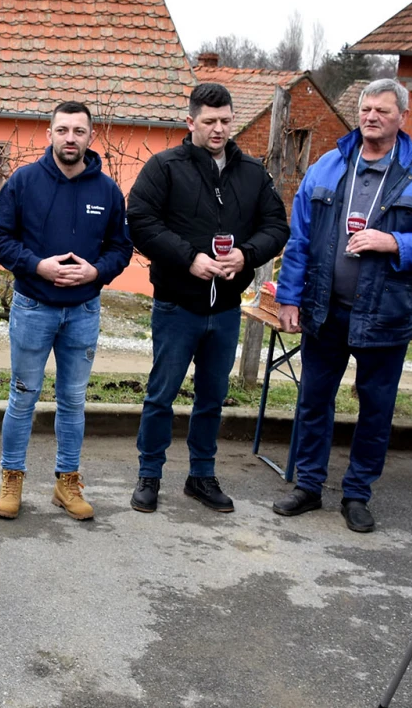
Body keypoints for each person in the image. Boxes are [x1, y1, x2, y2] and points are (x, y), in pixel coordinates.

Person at [272, 78, 412, 533]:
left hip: (385, 314)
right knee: (314, 402)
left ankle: (357, 495)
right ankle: (309, 487)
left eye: (383, 111)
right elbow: (300, 241)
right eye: (366, 109)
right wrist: (290, 298)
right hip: (325, 309)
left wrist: (392, 241)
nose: (372, 117)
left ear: (402, 118)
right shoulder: (328, 167)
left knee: (375, 409)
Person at [127, 83, 290, 513]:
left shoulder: (253, 173)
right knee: (161, 394)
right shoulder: (164, 168)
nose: (218, 130)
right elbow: (140, 221)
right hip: (177, 304)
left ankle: (201, 476)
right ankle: (149, 475)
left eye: (225, 121)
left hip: (225, 309)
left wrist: (247, 254)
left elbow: (277, 225)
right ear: (191, 122)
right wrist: (188, 259)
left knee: (212, 397)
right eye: (209, 121)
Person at [0, 101, 133, 521]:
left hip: (83, 310)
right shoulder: (23, 182)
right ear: (49, 134)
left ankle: (66, 481)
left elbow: (121, 248)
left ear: (91, 137)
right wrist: (37, 265)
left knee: (73, 400)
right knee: (23, 396)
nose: (71, 138)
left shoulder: (106, 191)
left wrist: (96, 271)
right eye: (63, 130)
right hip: (34, 306)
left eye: (79, 131)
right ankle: (12, 478)